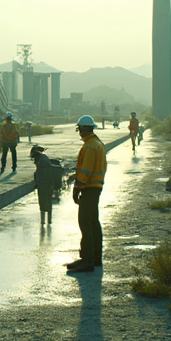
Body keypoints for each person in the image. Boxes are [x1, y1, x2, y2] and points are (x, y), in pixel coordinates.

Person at [67, 115, 107, 272]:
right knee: (93, 222)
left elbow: (86, 171)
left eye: (79, 129)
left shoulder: (90, 146)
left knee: (85, 222)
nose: (79, 132)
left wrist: (77, 188)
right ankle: (95, 257)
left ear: (84, 129)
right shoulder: (97, 144)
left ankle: (87, 260)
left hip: (89, 187)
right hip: (95, 187)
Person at [30, 144, 62, 225]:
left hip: (43, 184)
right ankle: (48, 220)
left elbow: (38, 174)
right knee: (48, 201)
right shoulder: (44, 158)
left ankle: (43, 220)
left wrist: (36, 183)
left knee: (42, 201)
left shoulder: (40, 160)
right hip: (48, 183)